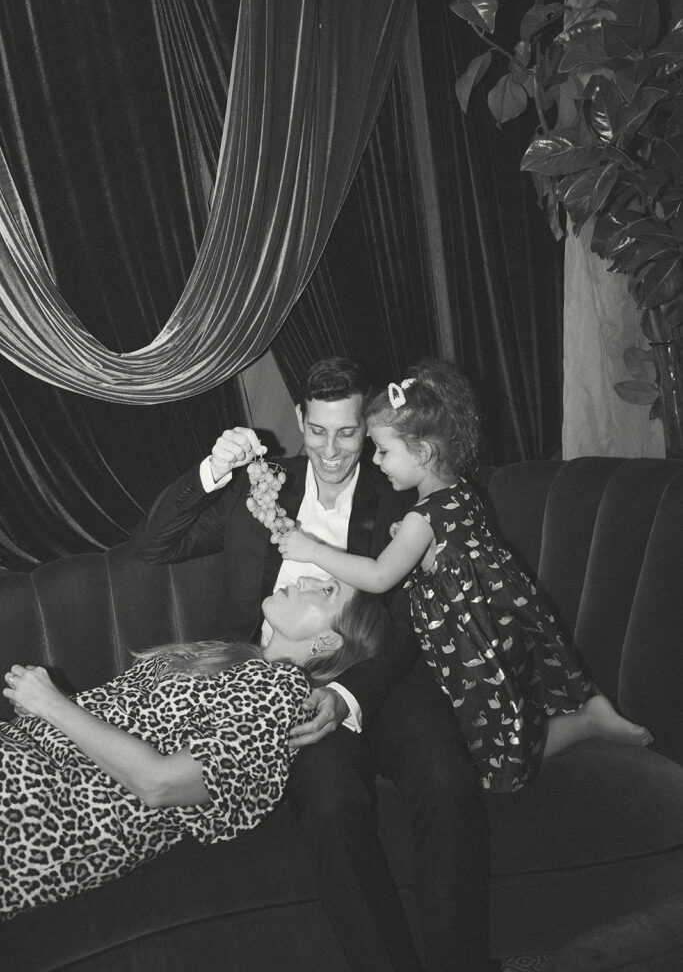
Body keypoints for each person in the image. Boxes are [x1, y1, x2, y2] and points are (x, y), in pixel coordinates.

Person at [131, 356, 495, 972]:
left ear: (369, 428)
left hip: (382, 673)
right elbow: (152, 545)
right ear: (299, 419)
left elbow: (407, 626)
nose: (331, 448)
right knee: (331, 807)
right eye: (318, 430)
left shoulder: (396, 495)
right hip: (282, 687)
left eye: (348, 432)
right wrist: (213, 468)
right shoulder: (258, 488)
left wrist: (347, 697)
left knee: (447, 783)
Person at [279, 358, 653, 793]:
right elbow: (455, 554)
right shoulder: (459, 493)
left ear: (422, 452)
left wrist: (314, 551)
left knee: (490, 752)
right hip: (495, 625)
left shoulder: (422, 517)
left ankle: (587, 722)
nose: (376, 461)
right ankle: (587, 715)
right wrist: (416, 546)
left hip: (467, 645)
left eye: (384, 450)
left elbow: (380, 577)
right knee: (506, 721)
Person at [0, 577, 388, 921]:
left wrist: (53, 705)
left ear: (329, 641)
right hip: (27, 762)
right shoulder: (235, 659)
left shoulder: (282, 694)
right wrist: (46, 711)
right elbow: (129, 724)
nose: (304, 578)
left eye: (327, 590)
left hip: (43, 811)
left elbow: (159, 784)